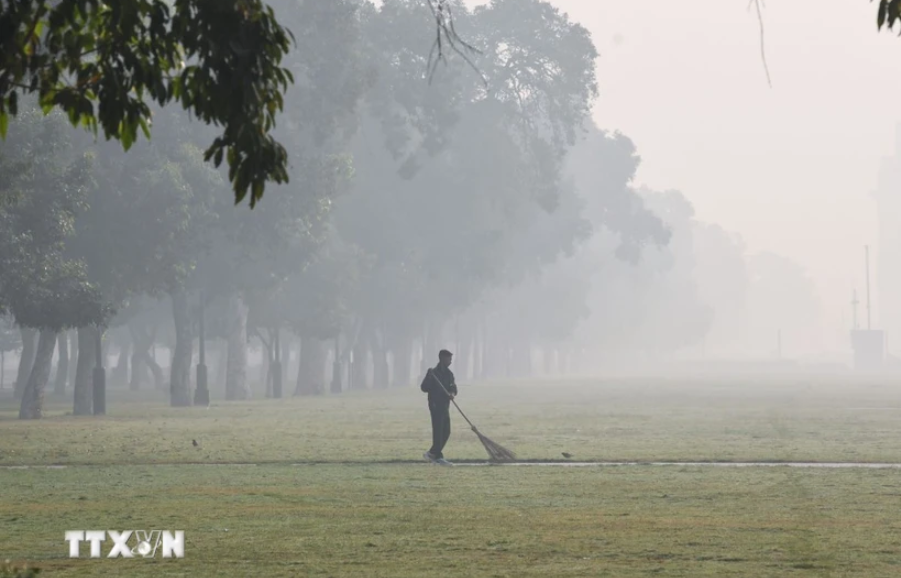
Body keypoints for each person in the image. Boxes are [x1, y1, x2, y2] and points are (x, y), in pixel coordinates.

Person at [421, 349, 458, 466]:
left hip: (445, 406)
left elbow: (454, 388)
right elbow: (424, 388)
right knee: (438, 431)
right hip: (435, 405)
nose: (451, 362)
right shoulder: (433, 373)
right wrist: (429, 378)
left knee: (446, 431)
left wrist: (452, 394)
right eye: (449, 359)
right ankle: (438, 456)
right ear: (442, 358)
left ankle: (433, 453)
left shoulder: (449, 374)